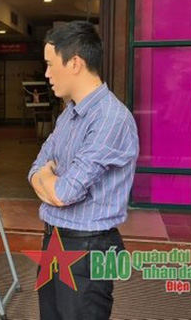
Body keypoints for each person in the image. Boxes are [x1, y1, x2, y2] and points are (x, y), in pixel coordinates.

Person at [28, 21, 139, 320]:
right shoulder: (69, 115)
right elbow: (35, 168)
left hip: (90, 248)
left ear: (75, 63)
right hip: (55, 239)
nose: (47, 74)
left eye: (51, 65)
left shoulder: (110, 119)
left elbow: (65, 193)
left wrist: (48, 179)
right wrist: (45, 177)